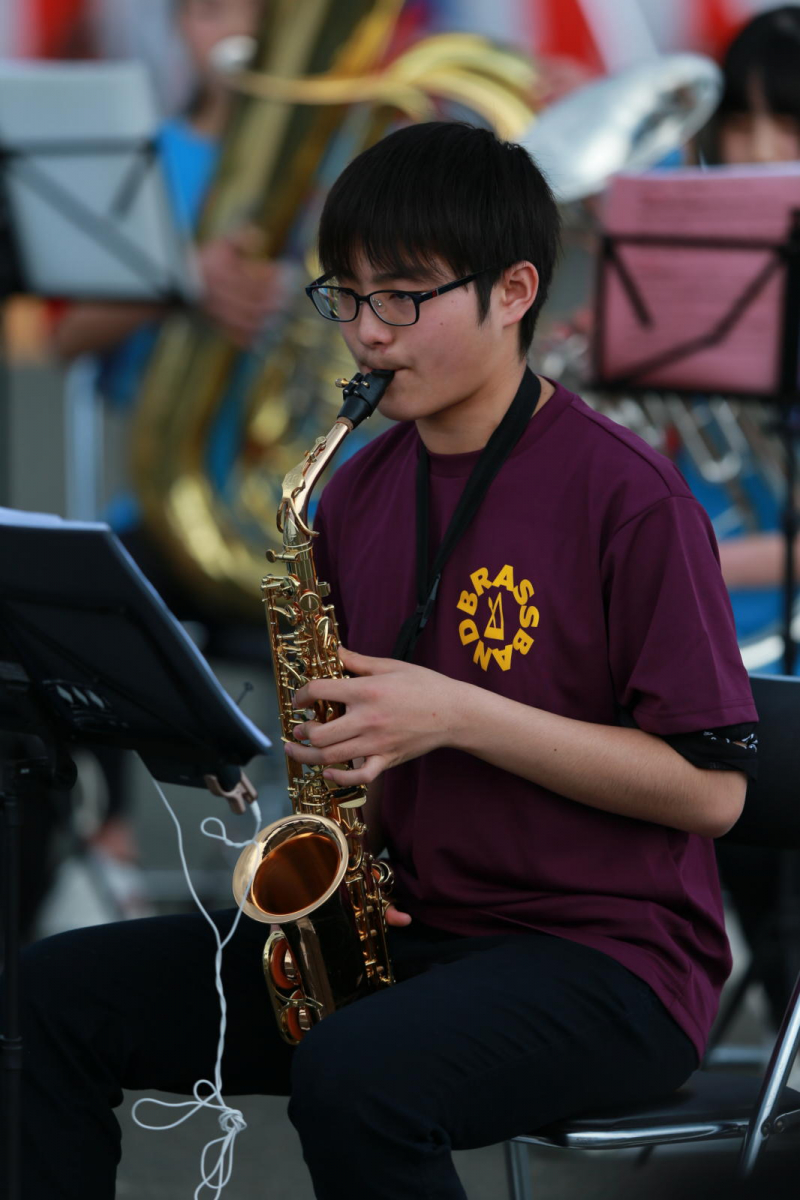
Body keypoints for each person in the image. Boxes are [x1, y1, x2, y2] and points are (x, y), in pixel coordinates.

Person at [4, 121, 758, 1200]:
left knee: (359, 1077)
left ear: (512, 291)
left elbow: (712, 792)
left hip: (607, 961)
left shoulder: (628, 499)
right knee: (49, 997)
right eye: (345, 298)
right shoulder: (349, 491)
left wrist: (455, 714)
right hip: (407, 932)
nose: (365, 334)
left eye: (401, 298)